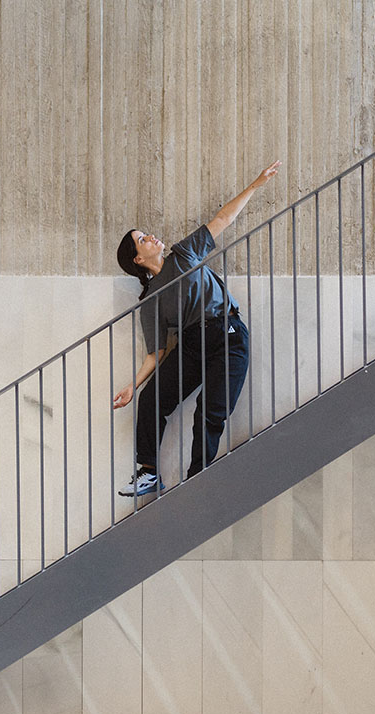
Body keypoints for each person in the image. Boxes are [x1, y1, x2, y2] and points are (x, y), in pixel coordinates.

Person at [113, 160, 281, 495]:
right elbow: (157, 352)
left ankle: (196, 480)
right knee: (151, 399)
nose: (150, 236)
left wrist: (255, 184)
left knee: (210, 412)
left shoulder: (183, 254)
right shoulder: (151, 299)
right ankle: (148, 472)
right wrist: (132, 386)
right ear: (137, 259)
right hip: (192, 343)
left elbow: (222, 220)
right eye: (142, 239)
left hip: (228, 336)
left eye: (146, 233)